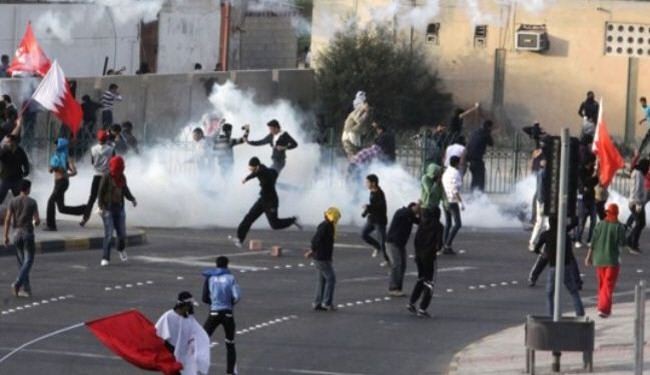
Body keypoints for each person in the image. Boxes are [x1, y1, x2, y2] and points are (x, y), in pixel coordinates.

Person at [231, 157, 300, 248]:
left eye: (251, 168)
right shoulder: (261, 168)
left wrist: (246, 179)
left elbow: (255, 174)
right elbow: (257, 173)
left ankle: (293, 220)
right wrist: (248, 178)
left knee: (275, 224)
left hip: (271, 201)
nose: (250, 170)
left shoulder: (262, 171)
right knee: (249, 218)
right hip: (262, 200)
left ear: (257, 166)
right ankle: (240, 239)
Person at [585, 204, 626, 318]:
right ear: (616, 214)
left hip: (598, 259)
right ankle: (604, 308)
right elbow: (623, 242)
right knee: (608, 285)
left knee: (602, 284)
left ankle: (602, 307)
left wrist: (588, 257)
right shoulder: (618, 227)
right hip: (612, 260)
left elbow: (593, 242)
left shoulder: (600, 225)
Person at [156, 291, 211, 375]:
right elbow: (158, 334)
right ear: (184, 305)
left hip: (185, 356)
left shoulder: (189, 319)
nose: (191, 308)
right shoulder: (168, 316)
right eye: (190, 305)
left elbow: (200, 335)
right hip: (170, 357)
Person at [202, 256, 240, 375]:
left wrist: (213, 303)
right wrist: (229, 303)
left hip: (214, 312)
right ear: (227, 265)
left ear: (216, 265)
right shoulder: (231, 278)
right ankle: (230, 371)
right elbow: (237, 296)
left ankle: (200, 368)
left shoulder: (210, 277)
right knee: (230, 343)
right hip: (227, 314)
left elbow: (204, 298)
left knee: (202, 339)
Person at [97, 156, 137, 266]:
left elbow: (125, 190)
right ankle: (106, 257)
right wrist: (100, 207)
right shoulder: (106, 177)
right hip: (107, 208)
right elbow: (100, 193)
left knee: (122, 234)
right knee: (109, 234)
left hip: (119, 208)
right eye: (116, 169)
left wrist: (132, 199)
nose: (117, 172)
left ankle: (121, 249)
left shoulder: (122, 178)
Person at [4, 180, 40, 298]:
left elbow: (8, 219)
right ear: (28, 189)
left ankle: (26, 289)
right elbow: (37, 220)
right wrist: (36, 222)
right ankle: (17, 283)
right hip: (27, 233)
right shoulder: (32, 202)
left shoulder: (12, 201)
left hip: (16, 234)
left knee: (22, 263)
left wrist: (5, 236)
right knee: (28, 261)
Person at [542, 219, 585, 317]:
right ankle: (580, 313)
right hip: (565, 265)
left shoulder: (546, 234)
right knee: (573, 291)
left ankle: (550, 315)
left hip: (553, 266)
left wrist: (543, 253)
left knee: (549, 293)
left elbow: (537, 246)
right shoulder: (565, 235)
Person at [407, 207, 444, 318]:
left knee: (421, 278)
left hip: (419, 256)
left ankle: (412, 302)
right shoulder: (439, 226)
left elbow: (416, 240)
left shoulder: (422, 224)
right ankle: (423, 308)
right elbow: (439, 244)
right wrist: (436, 250)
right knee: (429, 282)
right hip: (429, 256)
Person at [45, 138, 86, 231]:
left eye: (57, 144)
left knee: (50, 201)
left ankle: (51, 225)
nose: (55, 146)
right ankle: (84, 209)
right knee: (61, 208)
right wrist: (51, 168)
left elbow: (75, 172)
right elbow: (50, 170)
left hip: (62, 183)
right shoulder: (56, 157)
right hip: (57, 183)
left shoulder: (67, 158)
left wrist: (67, 174)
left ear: (61, 145)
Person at [305, 207, 341, 311]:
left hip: (321, 257)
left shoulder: (327, 225)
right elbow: (316, 240)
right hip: (322, 258)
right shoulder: (326, 226)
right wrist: (312, 251)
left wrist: (312, 251)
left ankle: (317, 303)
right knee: (331, 279)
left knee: (322, 280)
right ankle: (327, 302)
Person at [81, 130, 115, 226]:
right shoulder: (111, 149)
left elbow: (92, 162)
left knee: (92, 198)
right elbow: (113, 162)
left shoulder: (93, 149)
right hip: (107, 176)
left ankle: (85, 218)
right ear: (106, 138)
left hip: (96, 175)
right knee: (107, 198)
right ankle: (109, 220)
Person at [386, 202, 420, 296]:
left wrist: (424, 213)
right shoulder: (401, 212)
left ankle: (398, 287)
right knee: (397, 264)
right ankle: (393, 288)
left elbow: (420, 222)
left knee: (403, 265)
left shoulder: (411, 216)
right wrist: (417, 207)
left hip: (400, 244)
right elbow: (406, 212)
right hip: (392, 242)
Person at [361, 174, 389, 265]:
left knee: (382, 241)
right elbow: (372, 205)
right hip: (372, 219)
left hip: (379, 221)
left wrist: (368, 207)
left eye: (367, 182)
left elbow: (380, 207)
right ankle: (377, 247)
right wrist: (365, 212)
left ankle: (388, 260)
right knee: (363, 234)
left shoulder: (380, 193)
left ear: (373, 183)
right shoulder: (372, 191)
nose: (366, 184)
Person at [441, 156, 464, 255]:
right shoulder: (455, 173)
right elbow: (455, 190)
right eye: (460, 163)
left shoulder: (447, 172)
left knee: (448, 223)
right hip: (452, 200)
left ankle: (444, 245)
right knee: (458, 224)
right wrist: (460, 202)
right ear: (457, 163)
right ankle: (447, 245)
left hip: (445, 199)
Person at [626, 158, 649, 254]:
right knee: (639, 223)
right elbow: (635, 190)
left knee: (641, 223)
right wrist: (638, 203)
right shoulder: (637, 174)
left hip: (639, 202)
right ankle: (632, 244)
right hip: (635, 203)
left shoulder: (640, 174)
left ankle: (630, 241)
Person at [575, 156, 598, 248]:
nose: (592, 164)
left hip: (591, 197)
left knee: (594, 219)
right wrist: (592, 178)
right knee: (582, 220)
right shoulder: (580, 171)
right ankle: (578, 239)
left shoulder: (592, 170)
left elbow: (595, 181)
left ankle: (590, 239)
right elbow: (583, 183)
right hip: (582, 198)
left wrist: (593, 178)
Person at [0, 134, 30, 204]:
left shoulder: (20, 150)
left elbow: (25, 161)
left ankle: (19, 213)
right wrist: (3, 149)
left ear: (14, 142)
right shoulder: (4, 150)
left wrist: (26, 170)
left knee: (19, 199)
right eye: (7, 142)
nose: (7, 143)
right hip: (5, 178)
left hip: (17, 179)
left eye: (9, 141)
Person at [466, 120, 494, 192]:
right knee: (480, 181)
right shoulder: (485, 133)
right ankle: (478, 197)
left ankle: (473, 195)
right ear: (489, 127)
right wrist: (489, 133)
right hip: (477, 160)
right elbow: (491, 143)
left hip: (470, 160)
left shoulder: (475, 132)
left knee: (475, 179)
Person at [529, 158, 549, 251]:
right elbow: (541, 189)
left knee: (544, 223)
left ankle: (539, 243)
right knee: (541, 222)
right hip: (543, 200)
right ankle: (533, 242)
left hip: (544, 200)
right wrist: (541, 202)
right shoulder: (543, 173)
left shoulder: (543, 172)